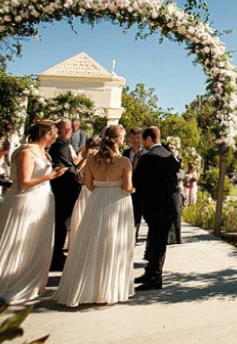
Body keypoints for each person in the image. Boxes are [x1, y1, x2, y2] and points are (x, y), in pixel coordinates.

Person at [55, 125, 135, 307]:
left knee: (93, 241)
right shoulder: (124, 162)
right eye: (122, 137)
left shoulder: (91, 160)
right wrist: (133, 189)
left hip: (97, 199)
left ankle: (87, 287)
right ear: (117, 140)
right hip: (118, 201)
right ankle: (108, 289)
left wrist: (102, 187)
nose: (124, 140)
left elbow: (88, 185)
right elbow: (127, 187)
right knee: (113, 242)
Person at [0, 121, 68, 303]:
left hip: (41, 201)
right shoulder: (26, 152)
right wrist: (52, 175)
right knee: (18, 241)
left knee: (35, 242)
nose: (56, 137)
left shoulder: (42, 152)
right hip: (25, 202)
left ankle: (28, 283)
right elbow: (23, 183)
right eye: (54, 133)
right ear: (46, 134)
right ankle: (8, 284)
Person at [133, 126, 181, 291]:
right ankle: (150, 272)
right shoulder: (170, 157)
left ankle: (155, 278)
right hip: (168, 207)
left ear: (148, 139)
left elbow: (137, 182)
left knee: (157, 243)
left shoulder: (148, 158)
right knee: (155, 242)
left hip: (154, 206)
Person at [49, 120, 84, 271]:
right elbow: (69, 168)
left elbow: (73, 166)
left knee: (64, 223)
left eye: (72, 129)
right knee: (61, 223)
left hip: (66, 188)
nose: (70, 131)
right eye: (68, 129)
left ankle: (57, 254)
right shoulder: (60, 145)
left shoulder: (65, 144)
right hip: (63, 189)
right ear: (61, 130)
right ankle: (56, 256)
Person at [67, 136, 101, 247]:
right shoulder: (86, 157)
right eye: (92, 147)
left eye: (96, 148)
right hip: (84, 191)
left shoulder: (101, 159)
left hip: (94, 191)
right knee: (80, 219)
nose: (94, 150)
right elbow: (78, 173)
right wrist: (85, 158)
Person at [123, 127, 145, 243]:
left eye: (138, 138)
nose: (136, 141)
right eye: (134, 138)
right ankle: (128, 236)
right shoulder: (125, 154)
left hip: (142, 190)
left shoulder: (146, 153)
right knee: (128, 214)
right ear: (130, 138)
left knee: (137, 215)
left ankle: (133, 237)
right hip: (128, 189)